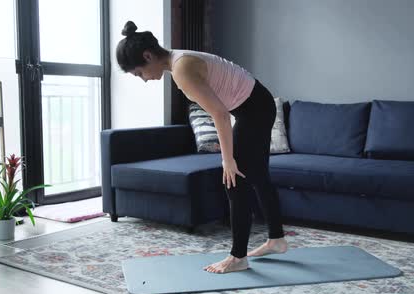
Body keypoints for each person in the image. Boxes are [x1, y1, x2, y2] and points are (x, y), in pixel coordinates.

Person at [116, 21, 288, 274]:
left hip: (253, 111)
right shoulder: (180, 60)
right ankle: (276, 240)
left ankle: (238, 257)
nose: (142, 79)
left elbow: (219, 114)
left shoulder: (182, 69)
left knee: (234, 180)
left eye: (138, 73)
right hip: (257, 106)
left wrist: (227, 160)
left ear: (148, 56)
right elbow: (223, 109)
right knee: (259, 177)